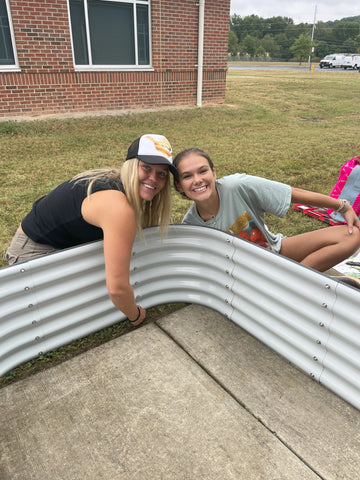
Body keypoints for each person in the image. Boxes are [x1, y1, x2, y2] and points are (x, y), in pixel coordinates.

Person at [6, 134, 178, 325]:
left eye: (162, 173)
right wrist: (135, 314)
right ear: (131, 165)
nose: (153, 178)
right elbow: (117, 288)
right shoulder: (118, 206)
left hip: (56, 247)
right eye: (146, 167)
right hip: (30, 255)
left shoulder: (115, 183)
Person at [173, 147, 360, 287]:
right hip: (247, 281)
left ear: (214, 173)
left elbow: (292, 193)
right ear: (179, 186)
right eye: (187, 176)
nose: (197, 180)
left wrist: (341, 205)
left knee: (352, 235)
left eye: (203, 171)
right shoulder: (191, 226)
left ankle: (290, 284)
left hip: (275, 252)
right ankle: (304, 284)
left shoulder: (236, 186)